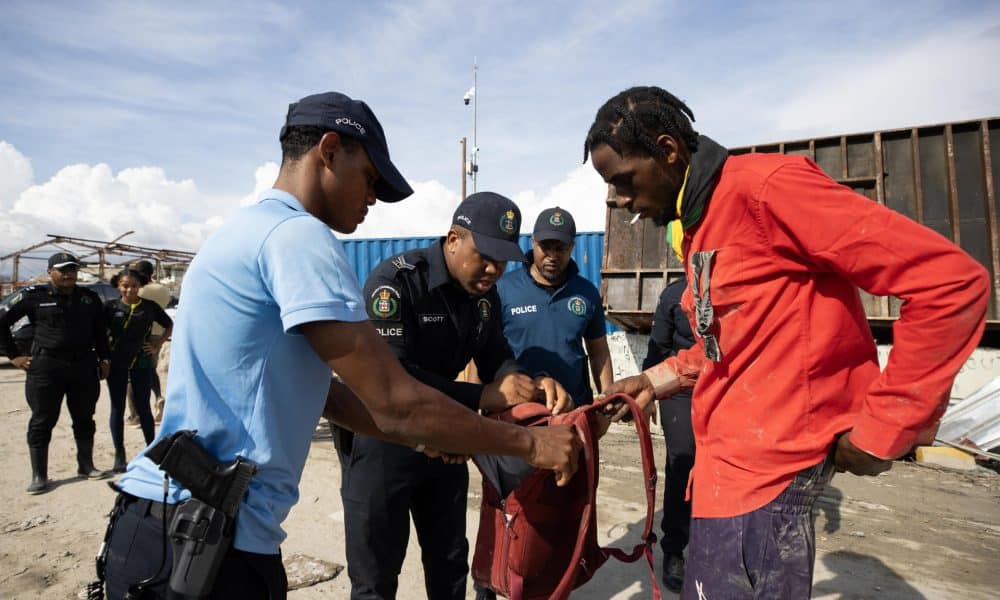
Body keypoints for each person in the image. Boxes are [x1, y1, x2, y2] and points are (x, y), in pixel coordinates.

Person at [100, 92, 580, 600]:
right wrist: (530, 444)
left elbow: (325, 392)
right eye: (370, 177)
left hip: (167, 527)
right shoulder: (300, 240)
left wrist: (430, 437)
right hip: (204, 540)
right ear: (329, 151)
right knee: (375, 577)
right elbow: (394, 400)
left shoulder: (244, 230)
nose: (372, 197)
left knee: (448, 561)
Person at [583, 86, 990, 599]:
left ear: (668, 151)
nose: (619, 200)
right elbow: (730, 344)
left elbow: (950, 284)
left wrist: (885, 426)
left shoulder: (767, 190)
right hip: (724, 474)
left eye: (622, 180)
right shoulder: (701, 224)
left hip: (765, 487)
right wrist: (652, 380)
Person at [341, 191, 573, 600]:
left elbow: (495, 352)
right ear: (453, 239)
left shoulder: (484, 296)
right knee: (375, 578)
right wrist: (482, 396)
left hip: (447, 440)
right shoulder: (395, 284)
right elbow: (394, 380)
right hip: (385, 442)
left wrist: (524, 382)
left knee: (449, 565)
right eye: (484, 255)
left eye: (501, 260)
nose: (493, 269)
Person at [0, 252, 112, 493]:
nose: (68, 274)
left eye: (72, 269)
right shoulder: (34, 297)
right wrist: (14, 356)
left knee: (84, 417)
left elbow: (100, 331)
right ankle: (39, 475)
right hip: (46, 367)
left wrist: (104, 358)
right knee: (42, 420)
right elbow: (3, 323)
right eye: (62, 269)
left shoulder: (89, 298)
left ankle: (86, 465)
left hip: (83, 366)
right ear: (51, 271)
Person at [496, 206, 612, 406]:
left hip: (572, 412)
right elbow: (481, 353)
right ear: (533, 242)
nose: (552, 255)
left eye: (560, 248)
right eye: (545, 246)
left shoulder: (586, 292)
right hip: (515, 413)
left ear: (572, 247)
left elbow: (599, 352)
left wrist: (607, 403)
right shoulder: (503, 289)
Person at [642, 275, 694, 593]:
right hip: (681, 390)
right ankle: (674, 549)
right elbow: (657, 348)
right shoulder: (674, 294)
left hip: (726, 389)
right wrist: (647, 391)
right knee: (683, 462)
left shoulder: (737, 282)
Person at [105, 268, 173, 472]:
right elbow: (97, 331)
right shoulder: (109, 307)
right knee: (117, 407)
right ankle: (119, 455)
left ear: (139, 286)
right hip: (116, 362)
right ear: (118, 285)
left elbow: (169, 324)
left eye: (134, 286)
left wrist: (156, 345)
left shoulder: (149, 307)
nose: (129, 290)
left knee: (143, 406)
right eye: (125, 285)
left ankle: (151, 451)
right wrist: (103, 354)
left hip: (141, 362)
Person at [132, 260, 172, 423]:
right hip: (158, 335)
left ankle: (135, 415)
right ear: (152, 273)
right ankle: (158, 397)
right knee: (150, 369)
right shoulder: (163, 290)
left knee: (133, 374)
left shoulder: (139, 291)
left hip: (140, 335)